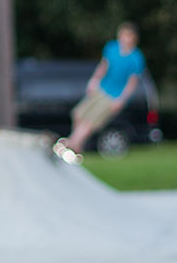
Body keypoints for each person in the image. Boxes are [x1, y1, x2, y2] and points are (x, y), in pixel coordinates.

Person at [58, 22, 148, 160]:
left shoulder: (136, 58)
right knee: (78, 114)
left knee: (90, 121)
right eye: (122, 34)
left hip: (114, 96)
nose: (124, 38)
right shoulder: (112, 48)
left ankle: (69, 144)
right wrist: (94, 81)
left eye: (127, 35)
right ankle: (76, 149)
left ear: (134, 38)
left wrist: (121, 100)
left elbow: (132, 83)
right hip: (102, 89)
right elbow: (103, 66)